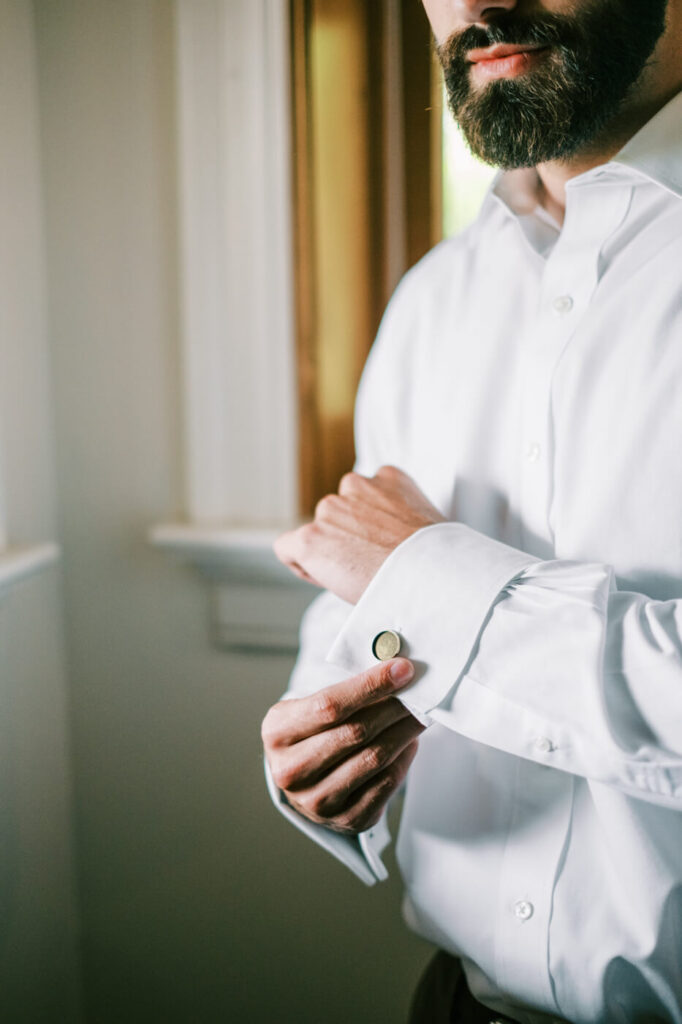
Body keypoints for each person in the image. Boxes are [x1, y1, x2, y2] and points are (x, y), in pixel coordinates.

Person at [262, 0, 682, 1021]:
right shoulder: (431, 300)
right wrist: (321, 758)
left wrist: (436, 583)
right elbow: (360, 612)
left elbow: (409, 575)